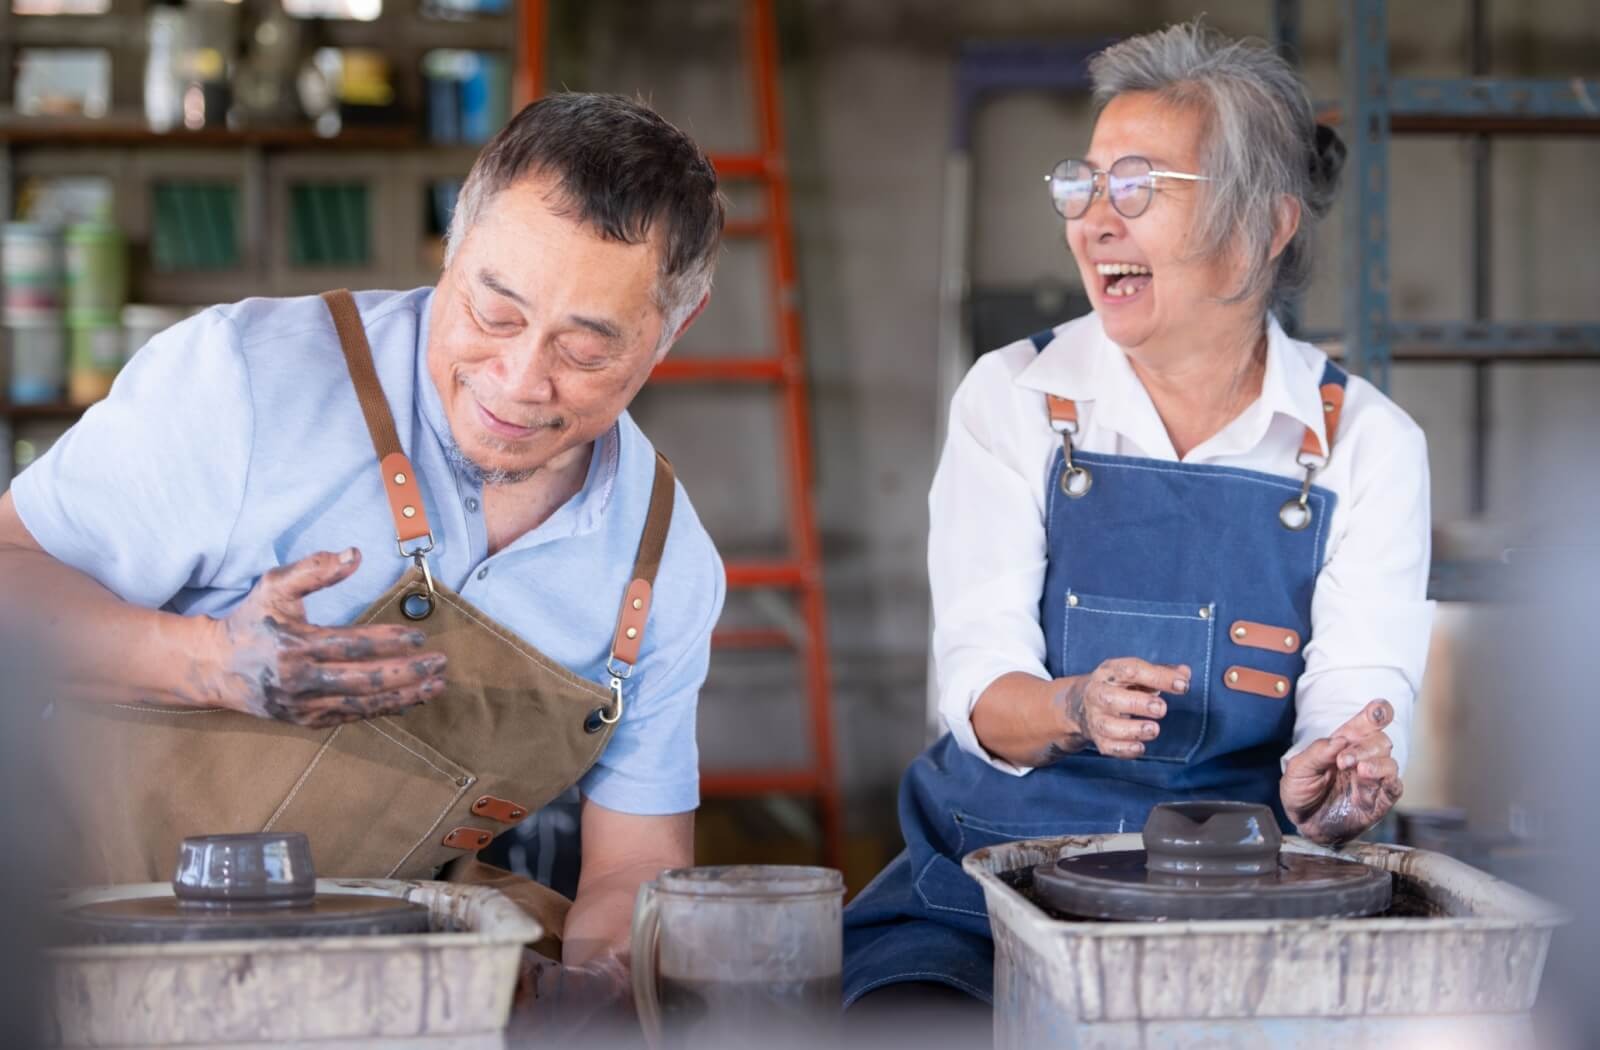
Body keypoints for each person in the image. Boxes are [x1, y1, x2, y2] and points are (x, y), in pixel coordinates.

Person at [0, 93, 726, 1008]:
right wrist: (210, 663)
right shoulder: (247, 381)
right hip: (64, 948)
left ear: (671, 333)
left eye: (585, 351)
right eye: (493, 313)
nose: (519, 381)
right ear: (452, 250)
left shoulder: (662, 565)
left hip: (368, 988)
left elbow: (633, 869)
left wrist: (605, 989)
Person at [843, 22, 1432, 1013]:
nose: (1093, 221)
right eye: (1083, 185)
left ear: (1262, 226)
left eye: (1137, 188)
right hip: (989, 889)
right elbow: (978, 685)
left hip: (1238, 900)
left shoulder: (1363, 443)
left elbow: (1356, 693)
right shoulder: (1016, 395)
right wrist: (1072, 707)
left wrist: (1334, 780)